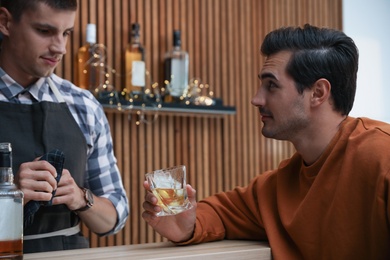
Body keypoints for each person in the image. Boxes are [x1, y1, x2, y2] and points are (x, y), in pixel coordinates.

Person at [142, 24, 390, 259]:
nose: (256, 99)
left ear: (318, 93)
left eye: (271, 85)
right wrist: (187, 227)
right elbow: (218, 214)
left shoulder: (382, 158)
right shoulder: (277, 188)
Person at [0, 0, 129, 253]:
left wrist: (82, 198)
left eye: (66, 33)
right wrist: (11, 196)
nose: (60, 48)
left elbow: (115, 216)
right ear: (5, 22)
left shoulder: (84, 106)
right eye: (44, 31)